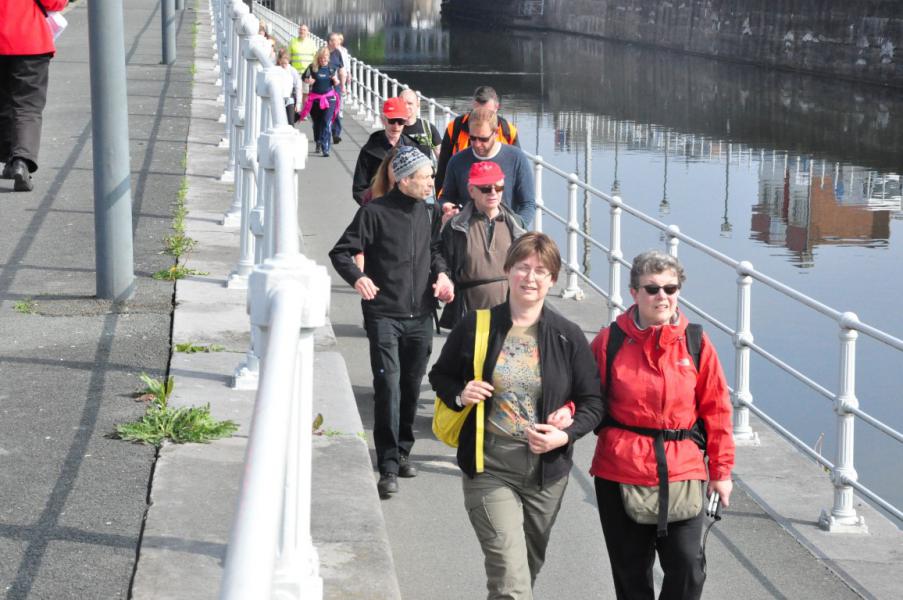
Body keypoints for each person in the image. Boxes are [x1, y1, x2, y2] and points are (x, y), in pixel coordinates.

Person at [429, 232, 604, 600]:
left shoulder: (567, 336)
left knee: (525, 570)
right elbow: (440, 375)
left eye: (541, 271)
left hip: (547, 473)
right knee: (511, 582)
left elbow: (593, 403)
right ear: (507, 271)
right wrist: (461, 394)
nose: (531, 277)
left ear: (552, 279)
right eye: (523, 268)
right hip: (489, 464)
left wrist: (565, 433)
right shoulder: (477, 325)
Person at [590, 250, 735, 600]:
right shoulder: (609, 342)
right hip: (620, 469)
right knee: (632, 577)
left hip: (682, 469)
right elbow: (584, 398)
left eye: (670, 289)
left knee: (688, 568)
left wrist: (721, 471)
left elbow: (717, 409)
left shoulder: (697, 343)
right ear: (634, 292)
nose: (662, 297)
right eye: (652, 289)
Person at [330, 147, 455, 498]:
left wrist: (442, 276)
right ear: (404, 179)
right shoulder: (373, 213)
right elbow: (341, 251)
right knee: (388, 385)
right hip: (383, 313)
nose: (432, 181)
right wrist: (357, 277)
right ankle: (387, 465)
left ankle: (402, 451)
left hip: (420, 315)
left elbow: (434, 252)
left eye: (432, 175)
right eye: (426, 176)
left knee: (412, 386)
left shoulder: (429, 213)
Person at [438, 161, 526, 330]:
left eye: (498, 188)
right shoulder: (455, 226)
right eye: (486, 189)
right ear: (472, 191)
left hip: (509, 313)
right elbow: (443, 264)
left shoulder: (517, 224)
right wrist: (444, 283)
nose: (493, 193)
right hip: (467, 313)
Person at [0, 0, 69, 192]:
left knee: (3, 102)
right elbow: (54, 2)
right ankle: (21, 161)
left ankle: (8, 158)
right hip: (29, 41)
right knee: (27, 105)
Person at [442, 107, 535, 226]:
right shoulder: (457, 160)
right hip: (468, 234)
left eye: (483, 139)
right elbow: (445, 197)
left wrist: (514, 229)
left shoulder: (516, 158)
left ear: (496, 133)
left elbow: (528, 204)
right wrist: (446, 206)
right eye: (473, 138)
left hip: (507, 233)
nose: (477, 144)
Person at [436, 86, 519, 194]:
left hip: (496, 196)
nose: (482, 117)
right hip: (462, 194)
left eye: (487, 113)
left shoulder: (508, 131)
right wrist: (442, 202)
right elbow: (443, 168)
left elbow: (516, 171)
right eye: (477, 111)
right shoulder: (455, 128)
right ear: (473, 106)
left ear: (496, 107)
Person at [352, 96, 431, 205]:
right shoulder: (368, 151)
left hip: (409, 210)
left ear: (406, 121)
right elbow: (359, 189)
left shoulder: (416, 149)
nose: (396, 126)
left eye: (400, 121)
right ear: (383, 119)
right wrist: (376, 208)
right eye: (392, 120)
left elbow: (426, 183)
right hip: (379, 210)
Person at [299, 47, 340, 157]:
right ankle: (318, 141)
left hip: (329, 98)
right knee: (317, 123)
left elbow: (336, 81)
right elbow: (304, 77)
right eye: (321, 58)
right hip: (315, 99)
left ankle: (325, 147)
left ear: (328, 58)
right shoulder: (312, 67)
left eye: (325, 58)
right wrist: (308, 80)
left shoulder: (331, 68)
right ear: (318, 58)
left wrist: (336, 81)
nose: (323, 60)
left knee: (326, 122)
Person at [399, 89, 441, 162]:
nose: (406, 107)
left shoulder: (428, 128)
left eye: (410, 103)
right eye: (403, 103)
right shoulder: (394, 127)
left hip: (425, 171)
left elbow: (440, 155)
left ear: (418, 105)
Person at [288, 24, 317, 109]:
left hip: (307, 72)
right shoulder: (293, 41)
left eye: (304, 30)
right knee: (295, 91)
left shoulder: (312, 43)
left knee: (305, 92)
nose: (302, 31)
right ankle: (296, 108)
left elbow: (315, 58)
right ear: (298, 31)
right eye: (300, 29)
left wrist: (314, 72)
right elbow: (288, 56)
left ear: (307, 32)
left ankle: (303, 111)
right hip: (295, 71)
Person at [327, 32, 346, 144]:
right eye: (335, 40)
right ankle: (322, 134)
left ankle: (336, 133)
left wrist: (343, 86)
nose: (337, 42)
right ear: (330, 42)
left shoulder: (338, 53)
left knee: (336, 110)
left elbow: (341, 69)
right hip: (325, 85)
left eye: (338, 40)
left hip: (336, 85)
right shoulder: (322, 52)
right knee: (324, 111)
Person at [275, 48, 302, 126]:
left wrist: (298, 104)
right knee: (279, 123)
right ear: (279, 60)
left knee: (290, 123)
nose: (284, 65)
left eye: (286, 63)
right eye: (282, 63)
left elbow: (298, 86)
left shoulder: (292, 70)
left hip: (289, 100)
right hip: (278, 100)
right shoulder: (275, 69)